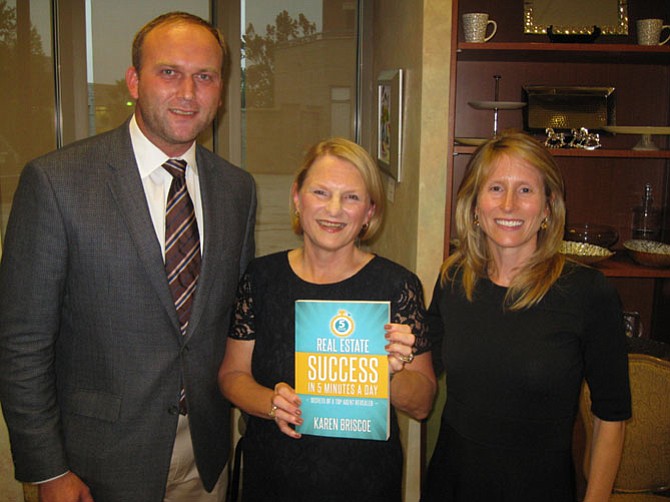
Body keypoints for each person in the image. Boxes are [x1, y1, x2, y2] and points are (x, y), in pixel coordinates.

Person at [0, 12, 256, 502]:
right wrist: (48, 470)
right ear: (135, 81)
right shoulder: (56, 183)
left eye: (204, 76)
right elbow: (21, 342)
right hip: (95, 465)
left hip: (206, 457)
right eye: (169, 72)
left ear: (220, 91)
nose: (188, 92)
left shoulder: (236, 189)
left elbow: (237, 318)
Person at [218, 137, 436, 501]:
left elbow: (423, 402)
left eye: (351, 197)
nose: (334, 210)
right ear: (297, 197)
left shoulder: (397, 286)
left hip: (365, 483)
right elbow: (231, 375)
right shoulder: (261, 278)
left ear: (369, 212)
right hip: (274, 477)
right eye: (320, 192)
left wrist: (387, 375)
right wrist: (271, 403)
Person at [422, 131, 631, 502]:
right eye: (496, 188)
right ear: (473, 205)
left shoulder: (588, 293)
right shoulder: (453, 279)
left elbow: (610, 418)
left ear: (549, 207)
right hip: (450, 484)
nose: (508, 205)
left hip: (538, 488)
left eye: (525, 191)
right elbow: (420, 370)